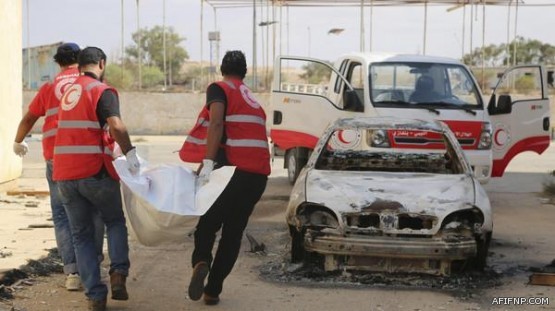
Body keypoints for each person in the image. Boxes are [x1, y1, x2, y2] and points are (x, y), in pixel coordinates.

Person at [180, 50, 271, 306]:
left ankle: (201, 262)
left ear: (222, 69)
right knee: (233, 233)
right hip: (257, 177)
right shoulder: (253, 100)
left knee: (208, 224)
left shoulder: (219, 89)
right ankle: (213, 291)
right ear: (245, 73)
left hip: (231, 171)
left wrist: (207, 163)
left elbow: (217, 123)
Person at [13, 42, 105, 291]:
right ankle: (93, 264)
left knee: (63, 216)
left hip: (56, 159)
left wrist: (18, 141)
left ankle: (72, 273)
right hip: (89, 158)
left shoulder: (49, 87)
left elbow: (29, 117)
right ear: (81, 59)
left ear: (58, 62)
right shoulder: (91, 84)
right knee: (94, 211)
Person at [53, 46, 139, 311]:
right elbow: (117, 125)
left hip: (64, 175)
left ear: (79, 65)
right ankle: (118, 273)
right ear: (101, 63)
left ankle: (95, 296)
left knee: (81, 236)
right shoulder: (101, 91)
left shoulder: (68, 91)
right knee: (114, 220)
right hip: (94, 171)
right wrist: (130, 153)